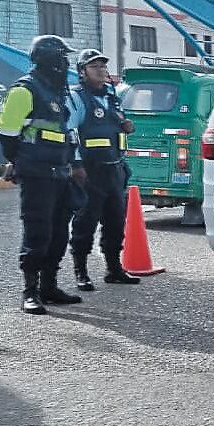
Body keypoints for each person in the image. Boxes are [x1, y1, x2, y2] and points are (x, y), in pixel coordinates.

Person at [0, 34, 85, 315]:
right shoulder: (25, 90)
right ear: (50, 59)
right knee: (38, 232)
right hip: (37, 174)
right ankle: (30, 290)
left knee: (59, 232)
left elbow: (64, 134)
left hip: (60, 172)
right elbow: (7, 133)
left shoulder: (58, 92)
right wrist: (18, 160)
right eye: (62, 56)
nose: (65, 62)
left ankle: (50, 285)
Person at [67, 48, 141, 291]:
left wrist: (126, 125)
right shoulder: (77, 97)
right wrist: (76, 165)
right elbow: (71, 133)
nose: (101, 70)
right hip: (91, 171)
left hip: (115, 169)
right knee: (85, 222)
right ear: (82, 72)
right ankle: (81, 271)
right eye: (94, 66)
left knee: (116, 221)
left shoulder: (111, 96)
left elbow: (117, 126)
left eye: (102, 66)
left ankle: (114, 269)